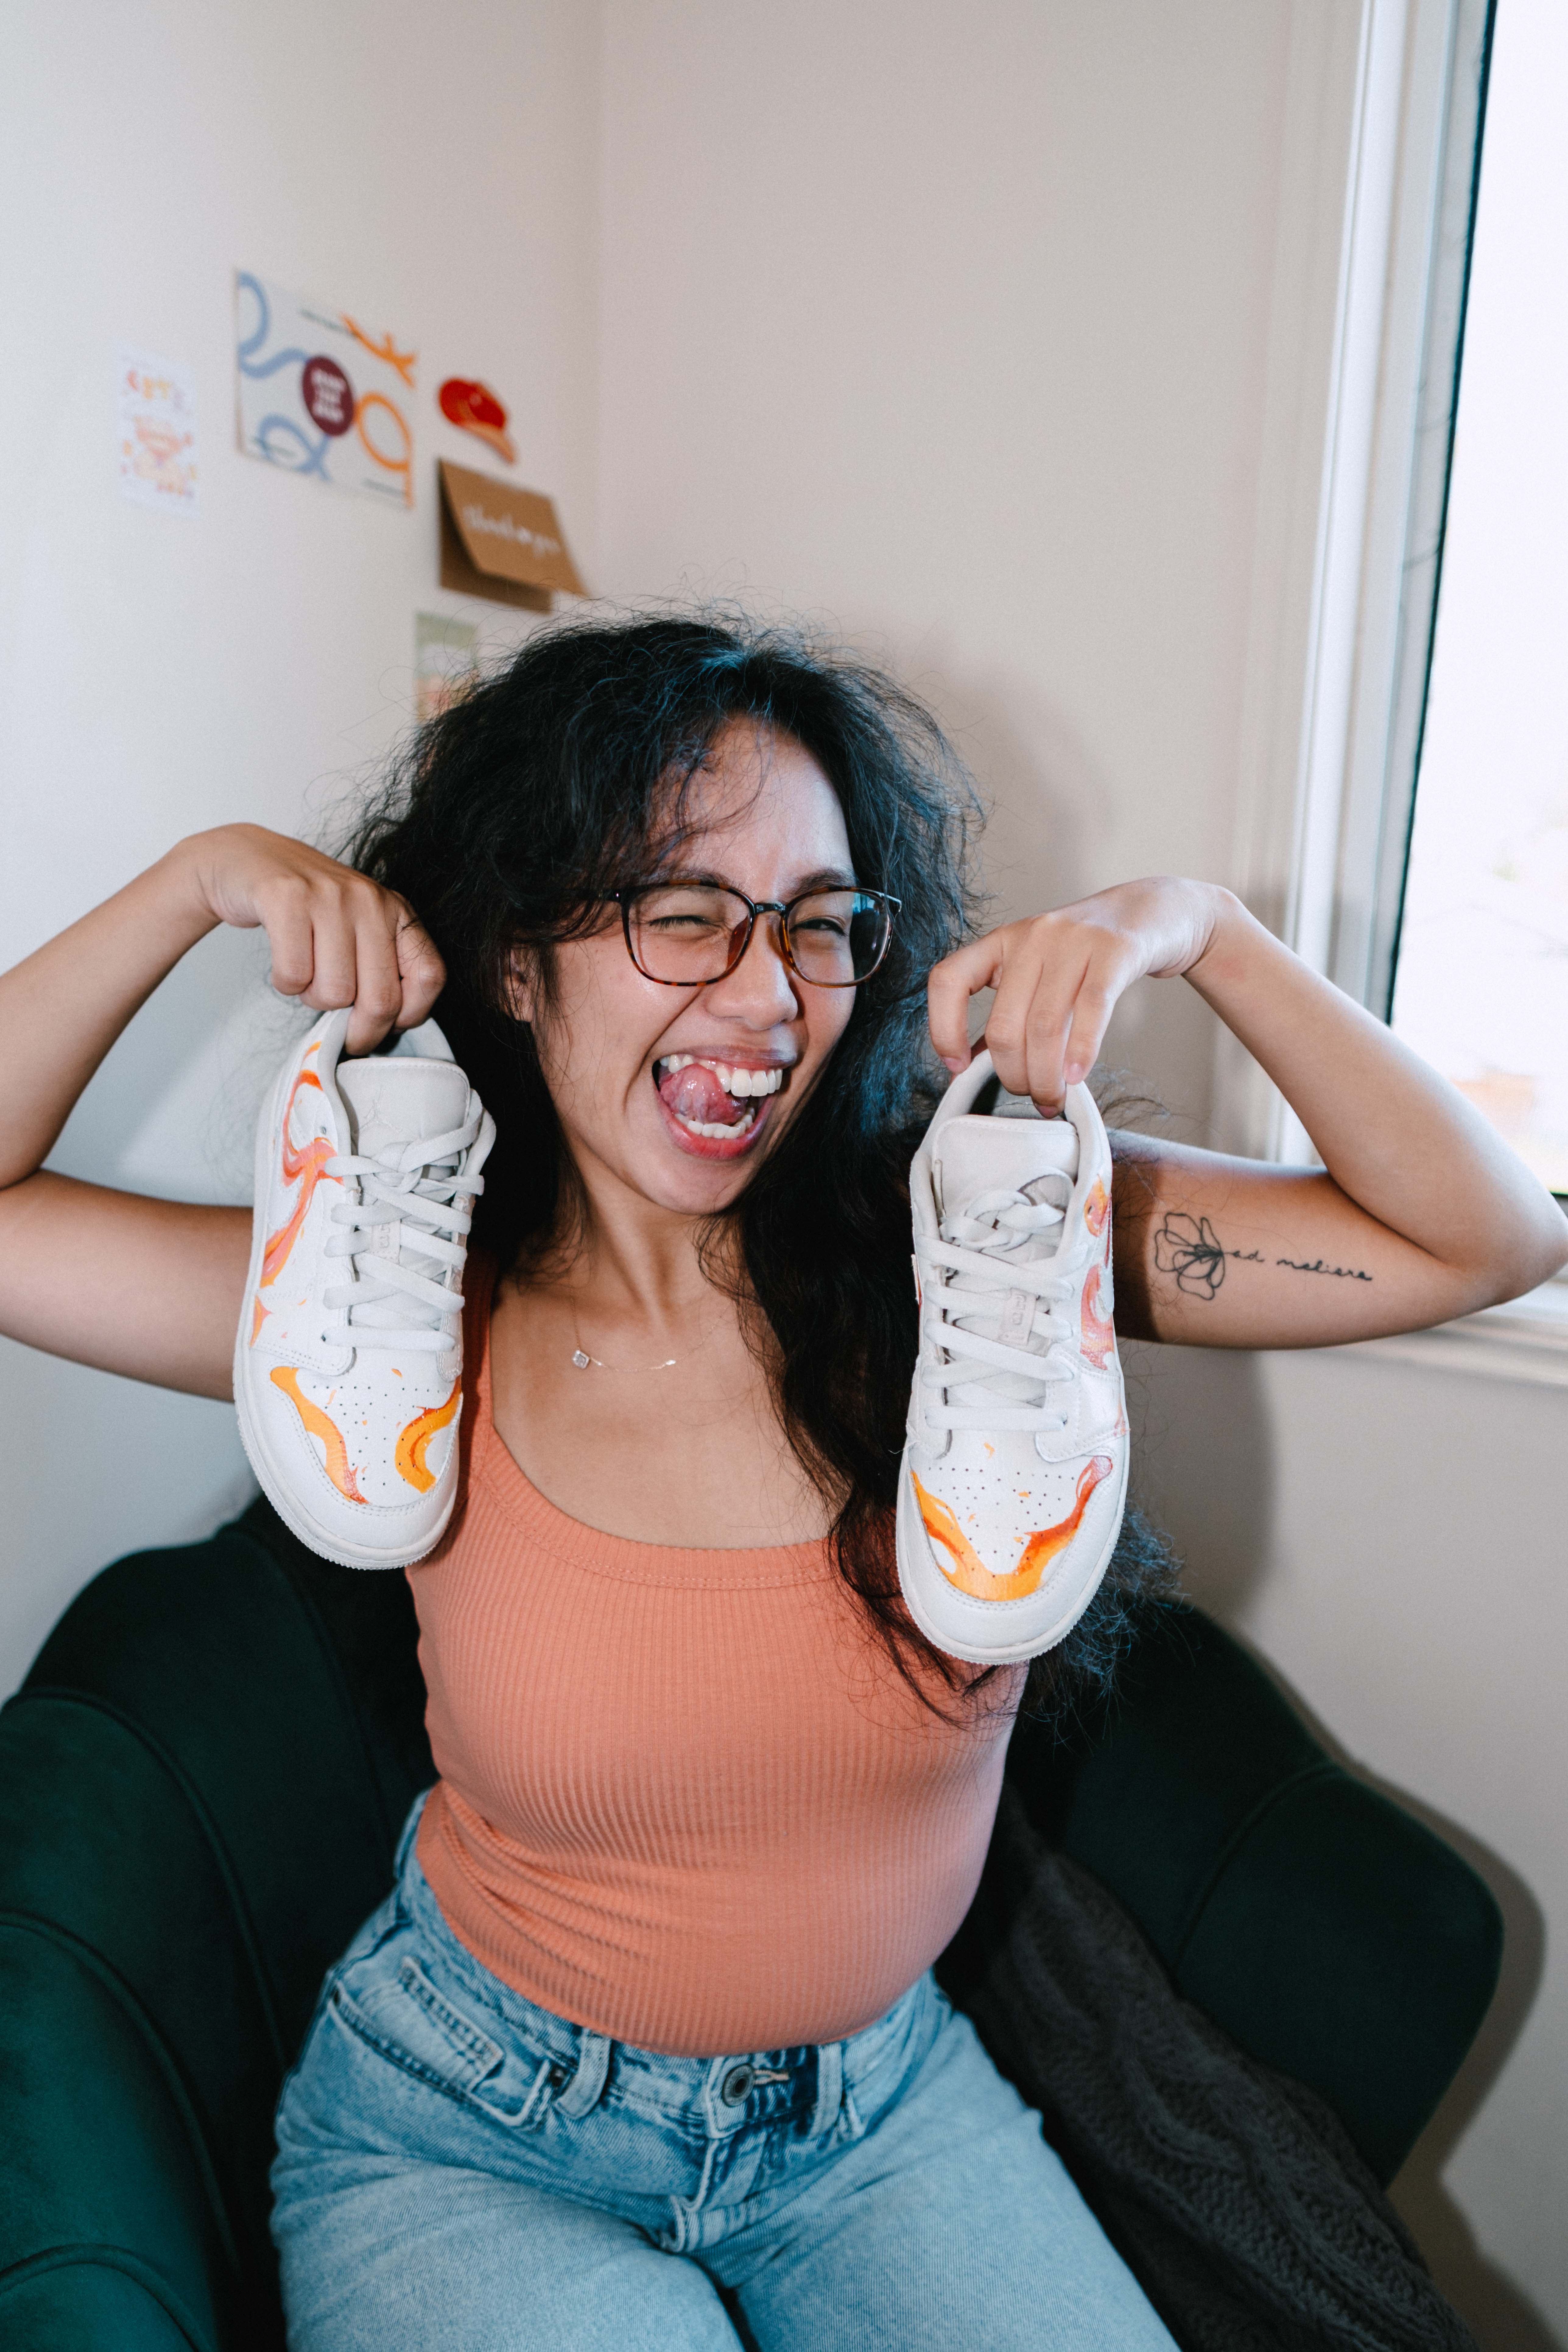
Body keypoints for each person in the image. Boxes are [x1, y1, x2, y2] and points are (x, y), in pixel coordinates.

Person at [1, 616, 1561, 2352]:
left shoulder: (982, 1272)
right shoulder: (386, 1305)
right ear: (516, 964)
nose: (765, 998)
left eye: (820, 923)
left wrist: (1202, 931)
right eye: (682, 912)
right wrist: (188, 887)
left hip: (882, 2117)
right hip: (474, 2139)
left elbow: (1482, 1241)